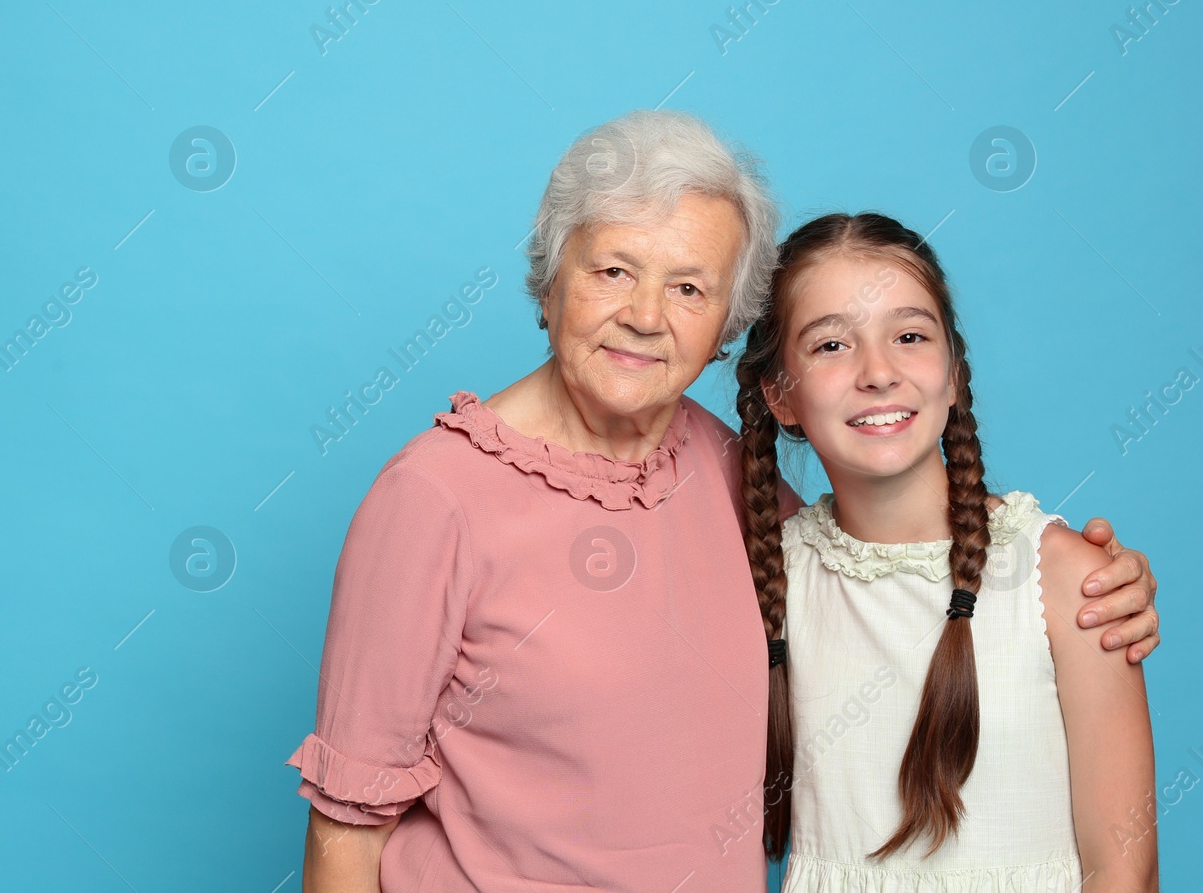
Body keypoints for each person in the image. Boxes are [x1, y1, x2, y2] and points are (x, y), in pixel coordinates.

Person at [285, 110, 1160, 892]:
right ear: (549, 285)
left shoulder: (729, 476)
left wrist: (1071, 571)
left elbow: (899, 555)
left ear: (723, 331)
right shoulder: (436, 497)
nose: (645, 315)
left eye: (689, 287)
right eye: (614, 270)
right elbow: (346, 837)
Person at [735, 212, 1156, 890]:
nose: (878, 372)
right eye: (831, 345)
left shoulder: (1070, 579)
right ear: (780, 395)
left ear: (954, 373)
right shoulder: (763, 578)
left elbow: (1125, 870)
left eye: (909, 335)